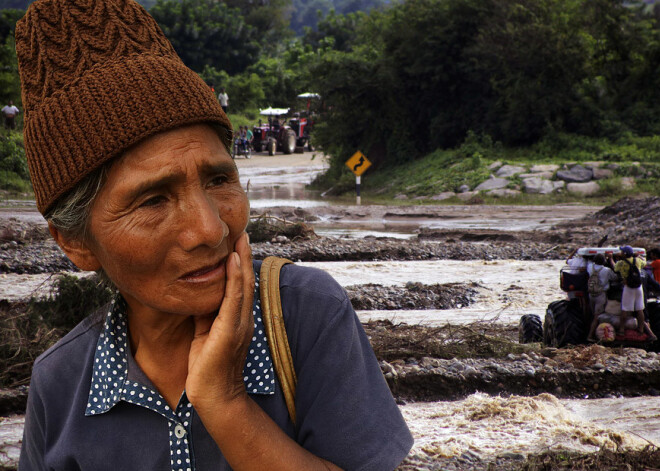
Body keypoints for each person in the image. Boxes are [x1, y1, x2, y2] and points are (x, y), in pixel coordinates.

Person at [16, 1, 413, 470]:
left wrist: (225, 403)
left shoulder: (305, 316)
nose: (211, 229)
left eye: (219, 180)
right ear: (75, 243)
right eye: (152, 201)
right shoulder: (59, 383)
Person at [611, 246, 657, 340]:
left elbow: (614, 268)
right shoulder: (637, 261)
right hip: (638, 287)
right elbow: (644, 263)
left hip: (628, 287)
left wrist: (611, 258)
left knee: (625, 309)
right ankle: (640, 330)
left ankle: (622, 330)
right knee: (640, 309)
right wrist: (638, 256)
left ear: (624, 254)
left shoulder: (621, 263)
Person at [586, 254, 618, 342]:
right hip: (601, 295)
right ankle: (591, 336)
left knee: (593, 315)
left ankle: (593, 333)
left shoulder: (590, 267)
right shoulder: (606, 270)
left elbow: (588, 263)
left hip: (591, 294)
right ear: (604, 261)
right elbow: (615, 277)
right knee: (598, 316)